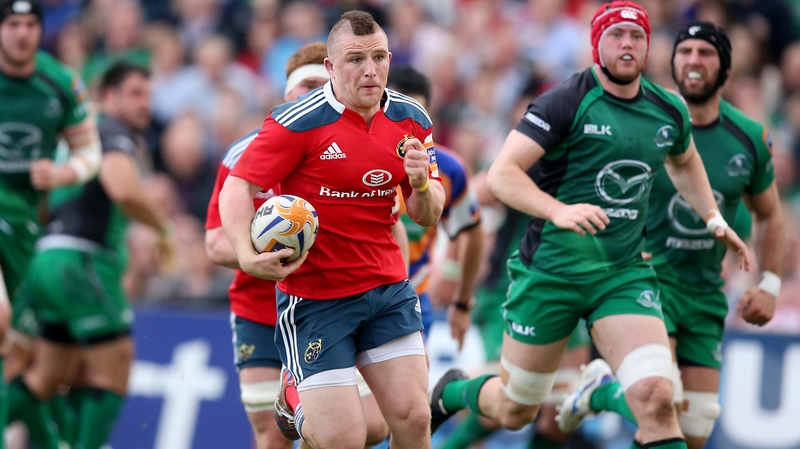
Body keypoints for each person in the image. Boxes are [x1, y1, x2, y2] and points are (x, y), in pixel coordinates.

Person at [428, 4, 750, 449]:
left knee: (657, 397)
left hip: (621, 274)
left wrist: (713, 218)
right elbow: (501, 176)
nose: (627, 45)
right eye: (616, 35)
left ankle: (595, 393)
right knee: (516, 409)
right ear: (597, 42)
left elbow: (685, 160)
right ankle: (453, 391)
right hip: (551, 274)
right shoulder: (565, 100)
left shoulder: (668, 109)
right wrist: (556, 210)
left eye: (637, 37)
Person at [219, 10, 444, 449]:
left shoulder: (411, 117)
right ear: (330, 67)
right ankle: (297, 403)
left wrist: (420, 183)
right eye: (355, 59)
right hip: (317, 299)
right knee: (345, 439)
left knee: (415, 420)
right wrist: (247, 256)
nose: (370, 69)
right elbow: (237, 186)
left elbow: (427, 213)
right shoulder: (296, 121)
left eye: (379, 57)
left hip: (387, 288)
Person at [557, 21, 783, 449]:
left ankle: (600, 391)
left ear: (726, 69)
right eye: (685, 51)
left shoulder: (750, 138)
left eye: (706, 53)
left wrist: (769, 283)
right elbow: (601, 191)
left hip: (706, 292)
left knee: (693, 432)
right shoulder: (648, 122)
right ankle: (605, 391)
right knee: (660, 406)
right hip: (650, 282)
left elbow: (770, 214)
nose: (694, 60)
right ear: (672, 62)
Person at [206, 41, 394, 449]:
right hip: (261, 310)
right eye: (306, 86)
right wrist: (252, 255)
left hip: (335, 305)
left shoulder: (354, 149)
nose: (315, 95)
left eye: (323, 85)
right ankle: (292, 399)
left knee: (371, 428)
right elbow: (214, 241)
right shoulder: (244, 157)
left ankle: (299, 402)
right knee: (271, 436)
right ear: (286, 94)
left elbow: (390, 227)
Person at [11, 62, 173, 449]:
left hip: (46, 258)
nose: (145, 103)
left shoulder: (76, 140)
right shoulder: (112, 131)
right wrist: (163, 228)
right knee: (115, 364)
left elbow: (44, 204)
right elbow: (125, 191)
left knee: (48, 374)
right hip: (80, 259)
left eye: (149, 95)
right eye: (135, 93)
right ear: (109, 98)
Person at [443, 82, 592, 449]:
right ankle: (450, 395)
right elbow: (474, 194)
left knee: (564, 408)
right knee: (513, 398)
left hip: (566, 289)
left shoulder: (582, 160)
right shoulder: (523, 163)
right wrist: (451, 263)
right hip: (509, 290)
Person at [0, 0, 101, 446]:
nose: (22, 33)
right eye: (12, 24)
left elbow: (89, 153)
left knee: (33, 351)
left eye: (30, 24)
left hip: (28, 225)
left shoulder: (60, 83)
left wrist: (61, 173)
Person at [386, 65, 484, 349]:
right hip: (354, 295)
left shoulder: (448, 169)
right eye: (396, 111)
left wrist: (462, 300)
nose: (406, 122)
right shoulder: (355, 158)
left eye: (416, 113)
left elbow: (472, 230)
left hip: (414, 299)